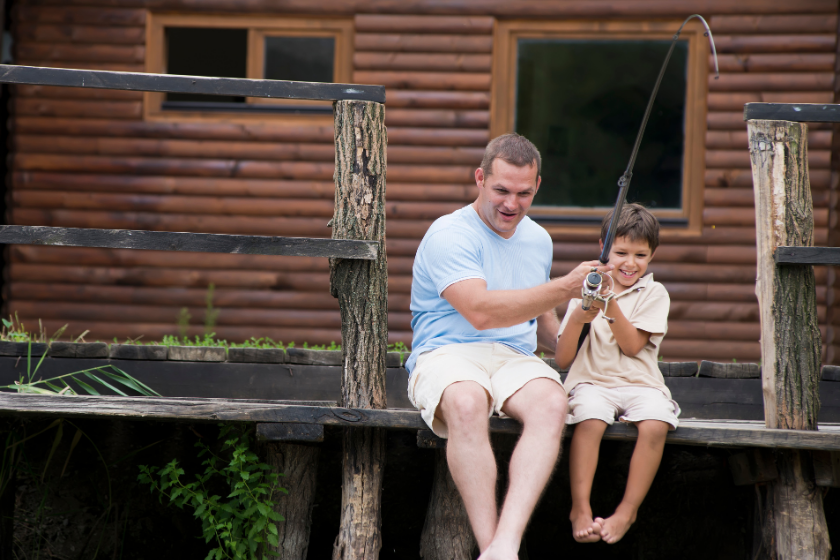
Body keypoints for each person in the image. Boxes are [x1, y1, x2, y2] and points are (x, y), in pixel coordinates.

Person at [406, 133, 612, 560]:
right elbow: (480, 312)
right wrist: (562, 286)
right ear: (480, 178)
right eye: (501, 190)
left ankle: (506, 546)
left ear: (537, 186)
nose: (511, 204)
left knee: (553, 404)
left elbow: (541, 319)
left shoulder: (538, 239)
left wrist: (581, 316)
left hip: (514, 358)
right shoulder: (449, 234)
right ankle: (491, 550)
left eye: (523, 193)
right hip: (448, 353)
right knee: (466, 402)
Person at [555, 203, 677, 545]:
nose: (630, 263)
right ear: (603, 248)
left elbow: (632, 346)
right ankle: (580, 507)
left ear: (652, 256)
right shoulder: (585, 289)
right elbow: (563, 359)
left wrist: (609, 305)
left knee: (655, 422)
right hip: (592, 383)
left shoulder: (654, 293)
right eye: (621, 252)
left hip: (641, 385)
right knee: (590, 418)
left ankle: (627, 510)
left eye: (640, 255)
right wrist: (582, 313)